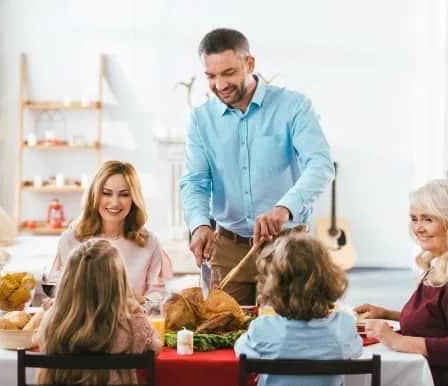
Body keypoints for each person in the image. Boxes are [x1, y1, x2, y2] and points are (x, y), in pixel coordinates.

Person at [180, 28, 334, 305]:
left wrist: (284, 208)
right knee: (223, 335)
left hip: (287, 247)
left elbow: (321, 165)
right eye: (211, 76)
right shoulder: (201, 120)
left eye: (228, 73)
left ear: (250, 64)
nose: (220, 84)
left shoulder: (293, 106)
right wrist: (199, 224)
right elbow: (195, 182)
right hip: (227, 247)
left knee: (284, 337)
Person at [235, 233, 362, 386]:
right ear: (328, 279)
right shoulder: (344, 325)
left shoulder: (262, 328)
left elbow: (241, 351)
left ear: (274, 285)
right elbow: (356, 351)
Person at [355, 179, 448, 385]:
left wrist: (398, 341)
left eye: (427, 219)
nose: (418, 228)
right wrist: (386, 313)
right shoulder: (436, 267)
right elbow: (433, 320)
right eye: (414, 219)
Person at [36, 239, 162, 385]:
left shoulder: (51, 323)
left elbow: (37, 340)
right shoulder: (134, 326)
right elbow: (155, 348)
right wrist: (138, 310)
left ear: (67, 283)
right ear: (118, 283)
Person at [48, 161, 172, 303]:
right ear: (94, 196)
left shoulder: (149, 242)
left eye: (124, 194)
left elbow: (159, 295)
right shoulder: (71, 239)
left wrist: (140, 300)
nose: (115, 202)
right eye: (106, 193)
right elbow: (57, 292)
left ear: (133, 199)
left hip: (132, 321)